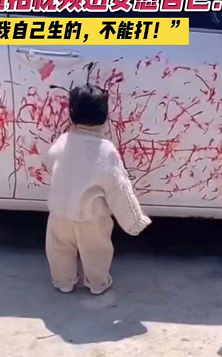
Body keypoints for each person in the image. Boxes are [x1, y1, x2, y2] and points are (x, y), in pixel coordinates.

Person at [45, 79, 151, 295]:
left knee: (59, 250)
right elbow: (118, 188)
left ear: (71, 115)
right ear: (105, 116)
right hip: (92, 217)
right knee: (96, 251)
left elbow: (48, 161)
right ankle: (97, 283)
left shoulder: (63, 141)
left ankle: (64, 281)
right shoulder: (105, 150)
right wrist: (134, 220)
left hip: (58, 215)